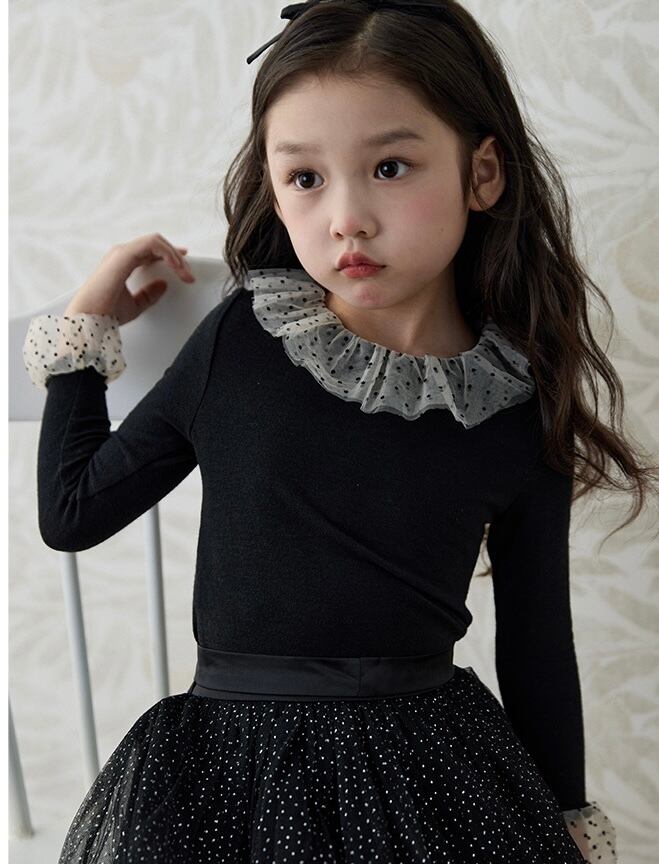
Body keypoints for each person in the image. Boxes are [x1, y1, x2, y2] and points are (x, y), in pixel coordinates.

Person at [22, 0, 655, 861]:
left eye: (390, 167)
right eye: (305, 178)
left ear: (482, 174)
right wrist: (82, 339)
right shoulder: (244, 341)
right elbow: (73, 512)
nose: (346, 217)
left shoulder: (514, 400)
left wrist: (569, 819)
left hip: (433, 775)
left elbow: (537, 640)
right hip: (232, 776)